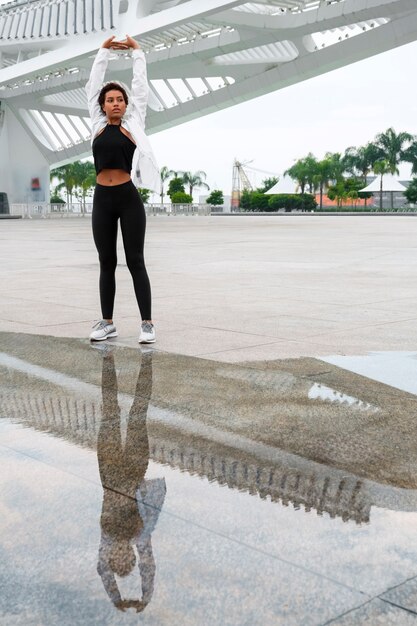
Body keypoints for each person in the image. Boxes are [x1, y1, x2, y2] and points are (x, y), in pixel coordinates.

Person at [85, 35, 159, 343]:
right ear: (102, 106)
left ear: (126, 104)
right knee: (106, 262)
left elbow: (140, 86)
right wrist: (103, 50)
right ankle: (107, 322)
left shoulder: (134, 123)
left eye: (119, 99)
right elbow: (93, 83)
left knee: (135, 260)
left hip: (128, 199)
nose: (115, 103)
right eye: (109, 100)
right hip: (103, 199)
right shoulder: (97, 125)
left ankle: (147, 324)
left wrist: (137, 52)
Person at [96, 350, 166, 612]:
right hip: (133, 470)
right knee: (138, 412)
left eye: (117, 558)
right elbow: (150, 565)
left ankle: (108, 360)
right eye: (128, 558)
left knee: (110, 408)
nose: (123, 553)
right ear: (132, 557)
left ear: (112, 555)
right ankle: (145, 363)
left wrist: (116, 598)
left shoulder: (107, 538)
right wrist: (145, 595)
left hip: (111, 469)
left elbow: (102, 570)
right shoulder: (140, 537)